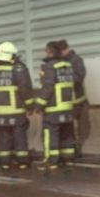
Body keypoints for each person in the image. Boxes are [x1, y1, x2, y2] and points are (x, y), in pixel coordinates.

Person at [0, 42, 34, 169]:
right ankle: (22, 161)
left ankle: (4, 162)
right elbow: (25, 90)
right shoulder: (17, 70)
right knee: (20, 137)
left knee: (3, 137)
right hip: (16, 112)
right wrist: (30, 106)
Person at [34, 42, 76, 171]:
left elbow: (47, 87)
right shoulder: (68, 65)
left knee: (50, 133)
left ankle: (51, 160)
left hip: (53, 107)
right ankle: (68, 158)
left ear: (50, 52)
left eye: (46, 51)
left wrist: (39, 104)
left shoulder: (49, 66)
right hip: (67, 106)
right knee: (67, 132)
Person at [57, 39, 87, 158]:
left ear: (66, 49)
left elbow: (79, 77)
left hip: (75, 100)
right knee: (67, 126)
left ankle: (75, 148)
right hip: (64, 101)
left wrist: (63, 76)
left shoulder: (76, 60)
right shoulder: (60, 61)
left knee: (74, 126)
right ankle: (68, 148)